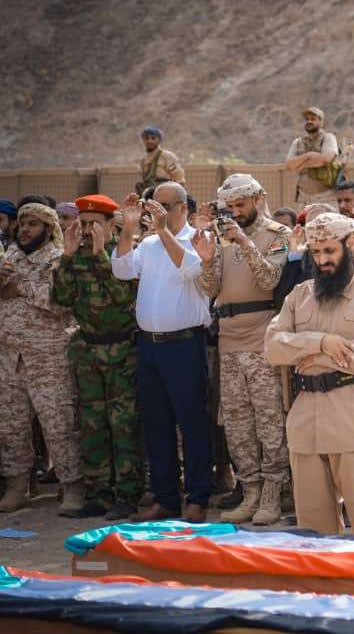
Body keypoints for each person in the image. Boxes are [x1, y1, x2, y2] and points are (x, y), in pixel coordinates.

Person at [265, 213, 354, 535]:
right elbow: (272, 347)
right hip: (306, 422)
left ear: (350, 245)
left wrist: (309, 354)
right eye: (316, 252)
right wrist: (322, 343)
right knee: (313, 534)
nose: (322, 260)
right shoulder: (299, 295)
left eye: (330, 251)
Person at [112, 183, 213, 523]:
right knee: (156, 424)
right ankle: (166, 498)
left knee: (193, 423)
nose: (157, 211)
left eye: (165, 206)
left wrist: (162, 230)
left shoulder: (197, 239)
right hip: (149, 346)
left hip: (185, 345)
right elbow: (122, 269)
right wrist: (128, 228)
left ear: (183, 207)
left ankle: (197, 499)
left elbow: (191, 270)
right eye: (153, 205)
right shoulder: (148, 244)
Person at [193, 174, 291, 525]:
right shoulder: (220, 237)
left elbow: (269, 279)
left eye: (241, 205)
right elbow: (209, 289)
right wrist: (207, 259)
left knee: (270, 421)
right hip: (228, 341)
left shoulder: (278, 235)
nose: (234, 212)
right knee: (236, 423)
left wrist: (245, 243)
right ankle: (250, 491)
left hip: (262, 339)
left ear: (259, 199)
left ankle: (273, 494)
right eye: (229, 206)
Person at [52, 195, 142, 520]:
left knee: (123, 425)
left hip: (122, 352)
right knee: (92, 425)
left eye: (95, 224)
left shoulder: (124, 252)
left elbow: (123, 296)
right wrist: (66, 257)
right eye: (84, 223)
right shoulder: (74, 256)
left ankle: (128, 494)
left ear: (110, 224)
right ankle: (99, 493)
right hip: (88, 352)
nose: (88, 230)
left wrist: (102, 255)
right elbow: (61, 299)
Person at [0, 203, 84, 514]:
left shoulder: (59, 259)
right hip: (10, 357)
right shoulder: (10, 256)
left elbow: (63, 303)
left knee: (58, 424)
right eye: (22, 224)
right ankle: (18, 487)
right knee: (11, 425)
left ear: (48, 230)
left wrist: (19, 287)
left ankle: (73, 486)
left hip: (48, 357)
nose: (24, 230)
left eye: (33, 224)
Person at [286, 107, 345, 207]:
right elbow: (289, 165)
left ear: (321, 122)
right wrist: (309, 155)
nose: (309, 121)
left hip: (326, 196)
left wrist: (300, 165)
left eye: (313, 119)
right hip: (303, 197)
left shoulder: (328, 138)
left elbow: (326, 159)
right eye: (307, 119)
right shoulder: (298, 142)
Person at [134, 125, 186, 194]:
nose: (150, 141)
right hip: (149, 194)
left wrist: (178, 194)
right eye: (147, 138)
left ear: (159, 140)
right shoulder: (143, 161)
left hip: (165, 193)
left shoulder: (167, 156)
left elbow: (179, 177)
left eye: (153, 138)